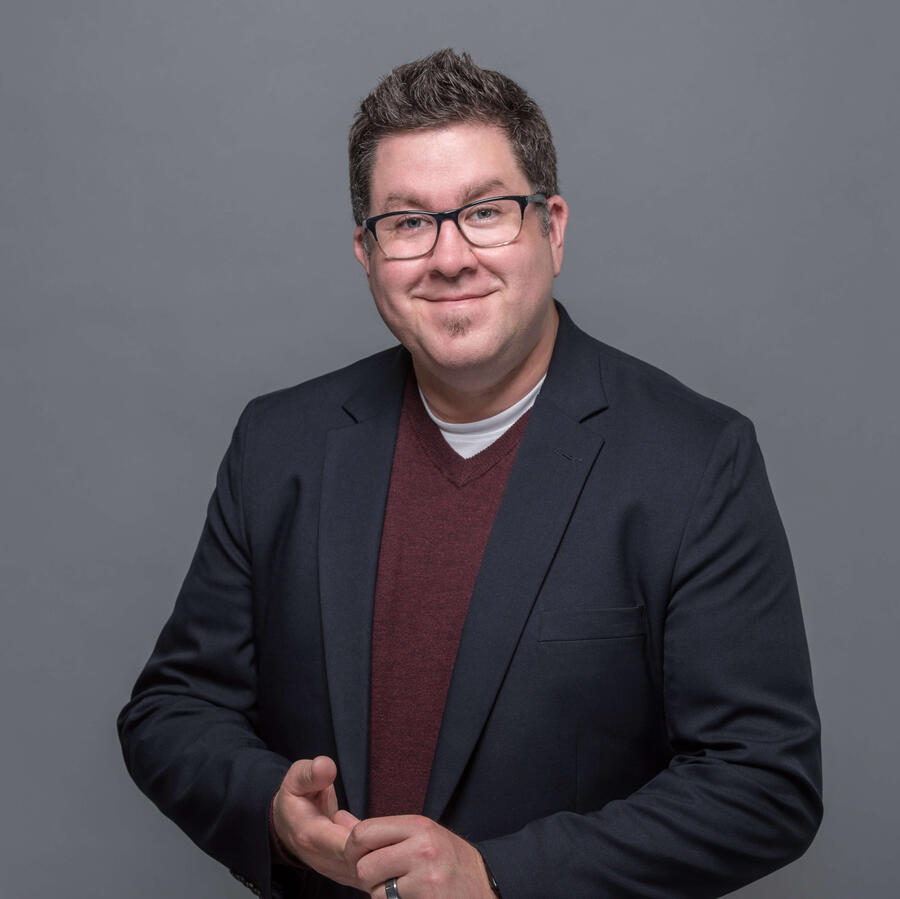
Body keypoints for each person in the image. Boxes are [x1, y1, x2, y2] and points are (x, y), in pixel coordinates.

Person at [118, 49, 822, 899]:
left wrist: (499, 876)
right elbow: (171, 709)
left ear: (552, 228)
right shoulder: (281, 444)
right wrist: (272, 808)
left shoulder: (696, 459)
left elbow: (766, 781)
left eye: (487, 212)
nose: (449, 257)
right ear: (365, 251)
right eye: (408, 222)